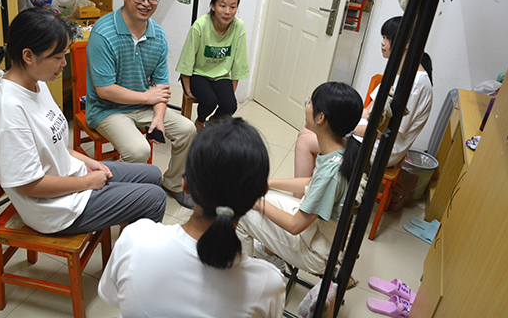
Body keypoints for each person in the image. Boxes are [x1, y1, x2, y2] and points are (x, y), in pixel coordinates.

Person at [0, 8, 166, 236]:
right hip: (55, 210)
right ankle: (132, 255)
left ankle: (132, 240)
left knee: (152, 175)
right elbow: (29, 186)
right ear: (28, 56)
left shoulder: (36, 83)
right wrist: (88, 182)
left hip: (71, 177)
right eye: (57, 57)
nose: (63, 64)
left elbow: (53, 143)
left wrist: (88, 162)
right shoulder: (8, 110)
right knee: (155, 198)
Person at [98, 118, 286, 317]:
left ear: (186, 185)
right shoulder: (268, 284)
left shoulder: (136, 238)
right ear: (260, 194)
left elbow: (111, 297)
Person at [85, 0, 196, 209]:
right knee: (138, 151)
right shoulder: (103, 33)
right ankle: (116, 196)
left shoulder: (159, 35)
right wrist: (147, 97)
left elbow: (161, 86)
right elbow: (104, 90)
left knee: (187, 129)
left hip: (143, 106)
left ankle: (173, 183)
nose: (146, 3)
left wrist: (158, 117)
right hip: (107, 109)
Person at [236, 82, 363, 274]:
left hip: (316, 251)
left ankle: (242, 278)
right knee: (259, 197)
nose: (307, 106)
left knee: (241, 210)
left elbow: (295, 226)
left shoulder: (331, 172)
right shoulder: (342, 148)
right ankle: (268, 256)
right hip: (318, 232)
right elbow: (313, 183)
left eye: (310, 102)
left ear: (321, 118)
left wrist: (257, 203)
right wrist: (268, 183)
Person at [294, 16, 433, 187]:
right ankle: (312, 187)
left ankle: (302, 195)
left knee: (305, 142)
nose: (383, 43)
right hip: (370, 133)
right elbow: (368, 110)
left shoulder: (415, 85)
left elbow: (384, 132)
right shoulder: (399, 71)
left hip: (383, 148)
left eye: (387, 38)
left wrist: (347, 128)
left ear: (406, 43)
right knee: (305, 132)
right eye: (383, 37)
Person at [176, 0, 250, 132]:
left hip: (221, 75)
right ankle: (200, 121)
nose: (227, 11)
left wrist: (230, 92)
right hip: (199, 74)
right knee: (209, 101)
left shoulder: (238, 26)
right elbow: (187, 58)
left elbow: (239, 61)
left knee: (230, 105)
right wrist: (188, 90)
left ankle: (213, 120)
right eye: (222, 5)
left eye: (233, 7)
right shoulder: (200, 25)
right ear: (213, 6)